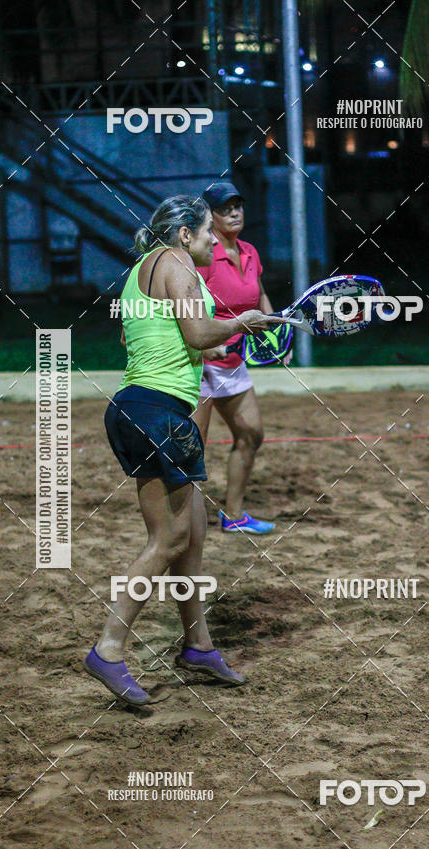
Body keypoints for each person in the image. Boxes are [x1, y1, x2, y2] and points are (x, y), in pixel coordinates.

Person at [84, 195, 282, 706]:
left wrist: (213, 345)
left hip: (143, 408)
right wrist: (241, 323)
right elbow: (196, 329)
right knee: (168, 540)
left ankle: (198, 646)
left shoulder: (142, 269)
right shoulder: (176, 262)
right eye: (206, 231)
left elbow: (152, 338)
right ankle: (108, 649)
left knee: (192, 538)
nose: (215, 239)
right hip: (157, 414)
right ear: (184, 234)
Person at [193, 181, 290, 535]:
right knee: (192, 450)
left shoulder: (249, 251)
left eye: (238, 206)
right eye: (224, 209)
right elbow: (188, 307)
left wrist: (277, 336)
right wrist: (204, 345)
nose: (234, 213)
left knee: (251, 434)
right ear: (210, 216)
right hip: (200, 365)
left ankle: (233, 516)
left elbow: (259, 297)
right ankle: (184, 525)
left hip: (234, 362)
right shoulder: (204, 256)